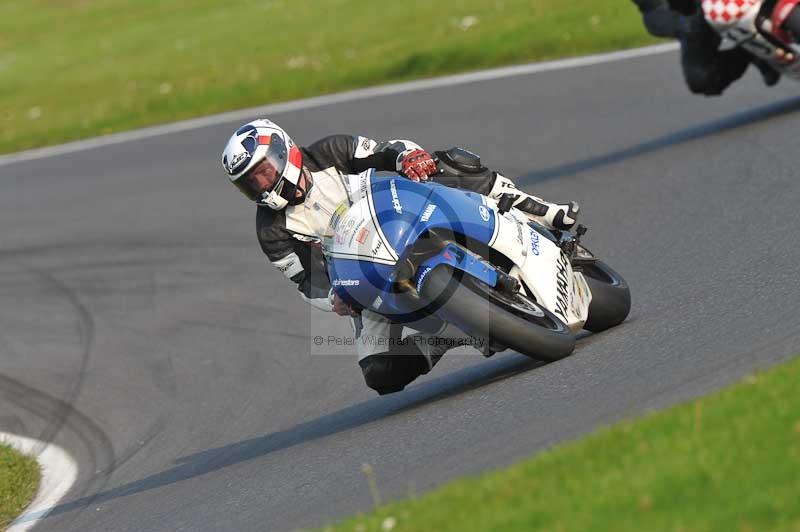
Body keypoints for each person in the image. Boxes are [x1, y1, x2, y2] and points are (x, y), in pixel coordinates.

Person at [221, 119, 579, 394]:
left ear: (284, 153)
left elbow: (385, 151)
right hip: (368, 278)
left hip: (408, 215)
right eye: (249, 184)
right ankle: (449, 335)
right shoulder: (271, 229)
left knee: (449, 164)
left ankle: (541, 210)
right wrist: (333, 298)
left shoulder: (331, 151)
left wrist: (408, 157)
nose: (262, 186)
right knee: (380, 374)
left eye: (263, 173)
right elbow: (305, 281)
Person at [632, 0, 784, 95]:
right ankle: (753, 52)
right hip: (698, 16)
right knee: (700, 77)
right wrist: (683, 26)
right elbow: (652, 13)